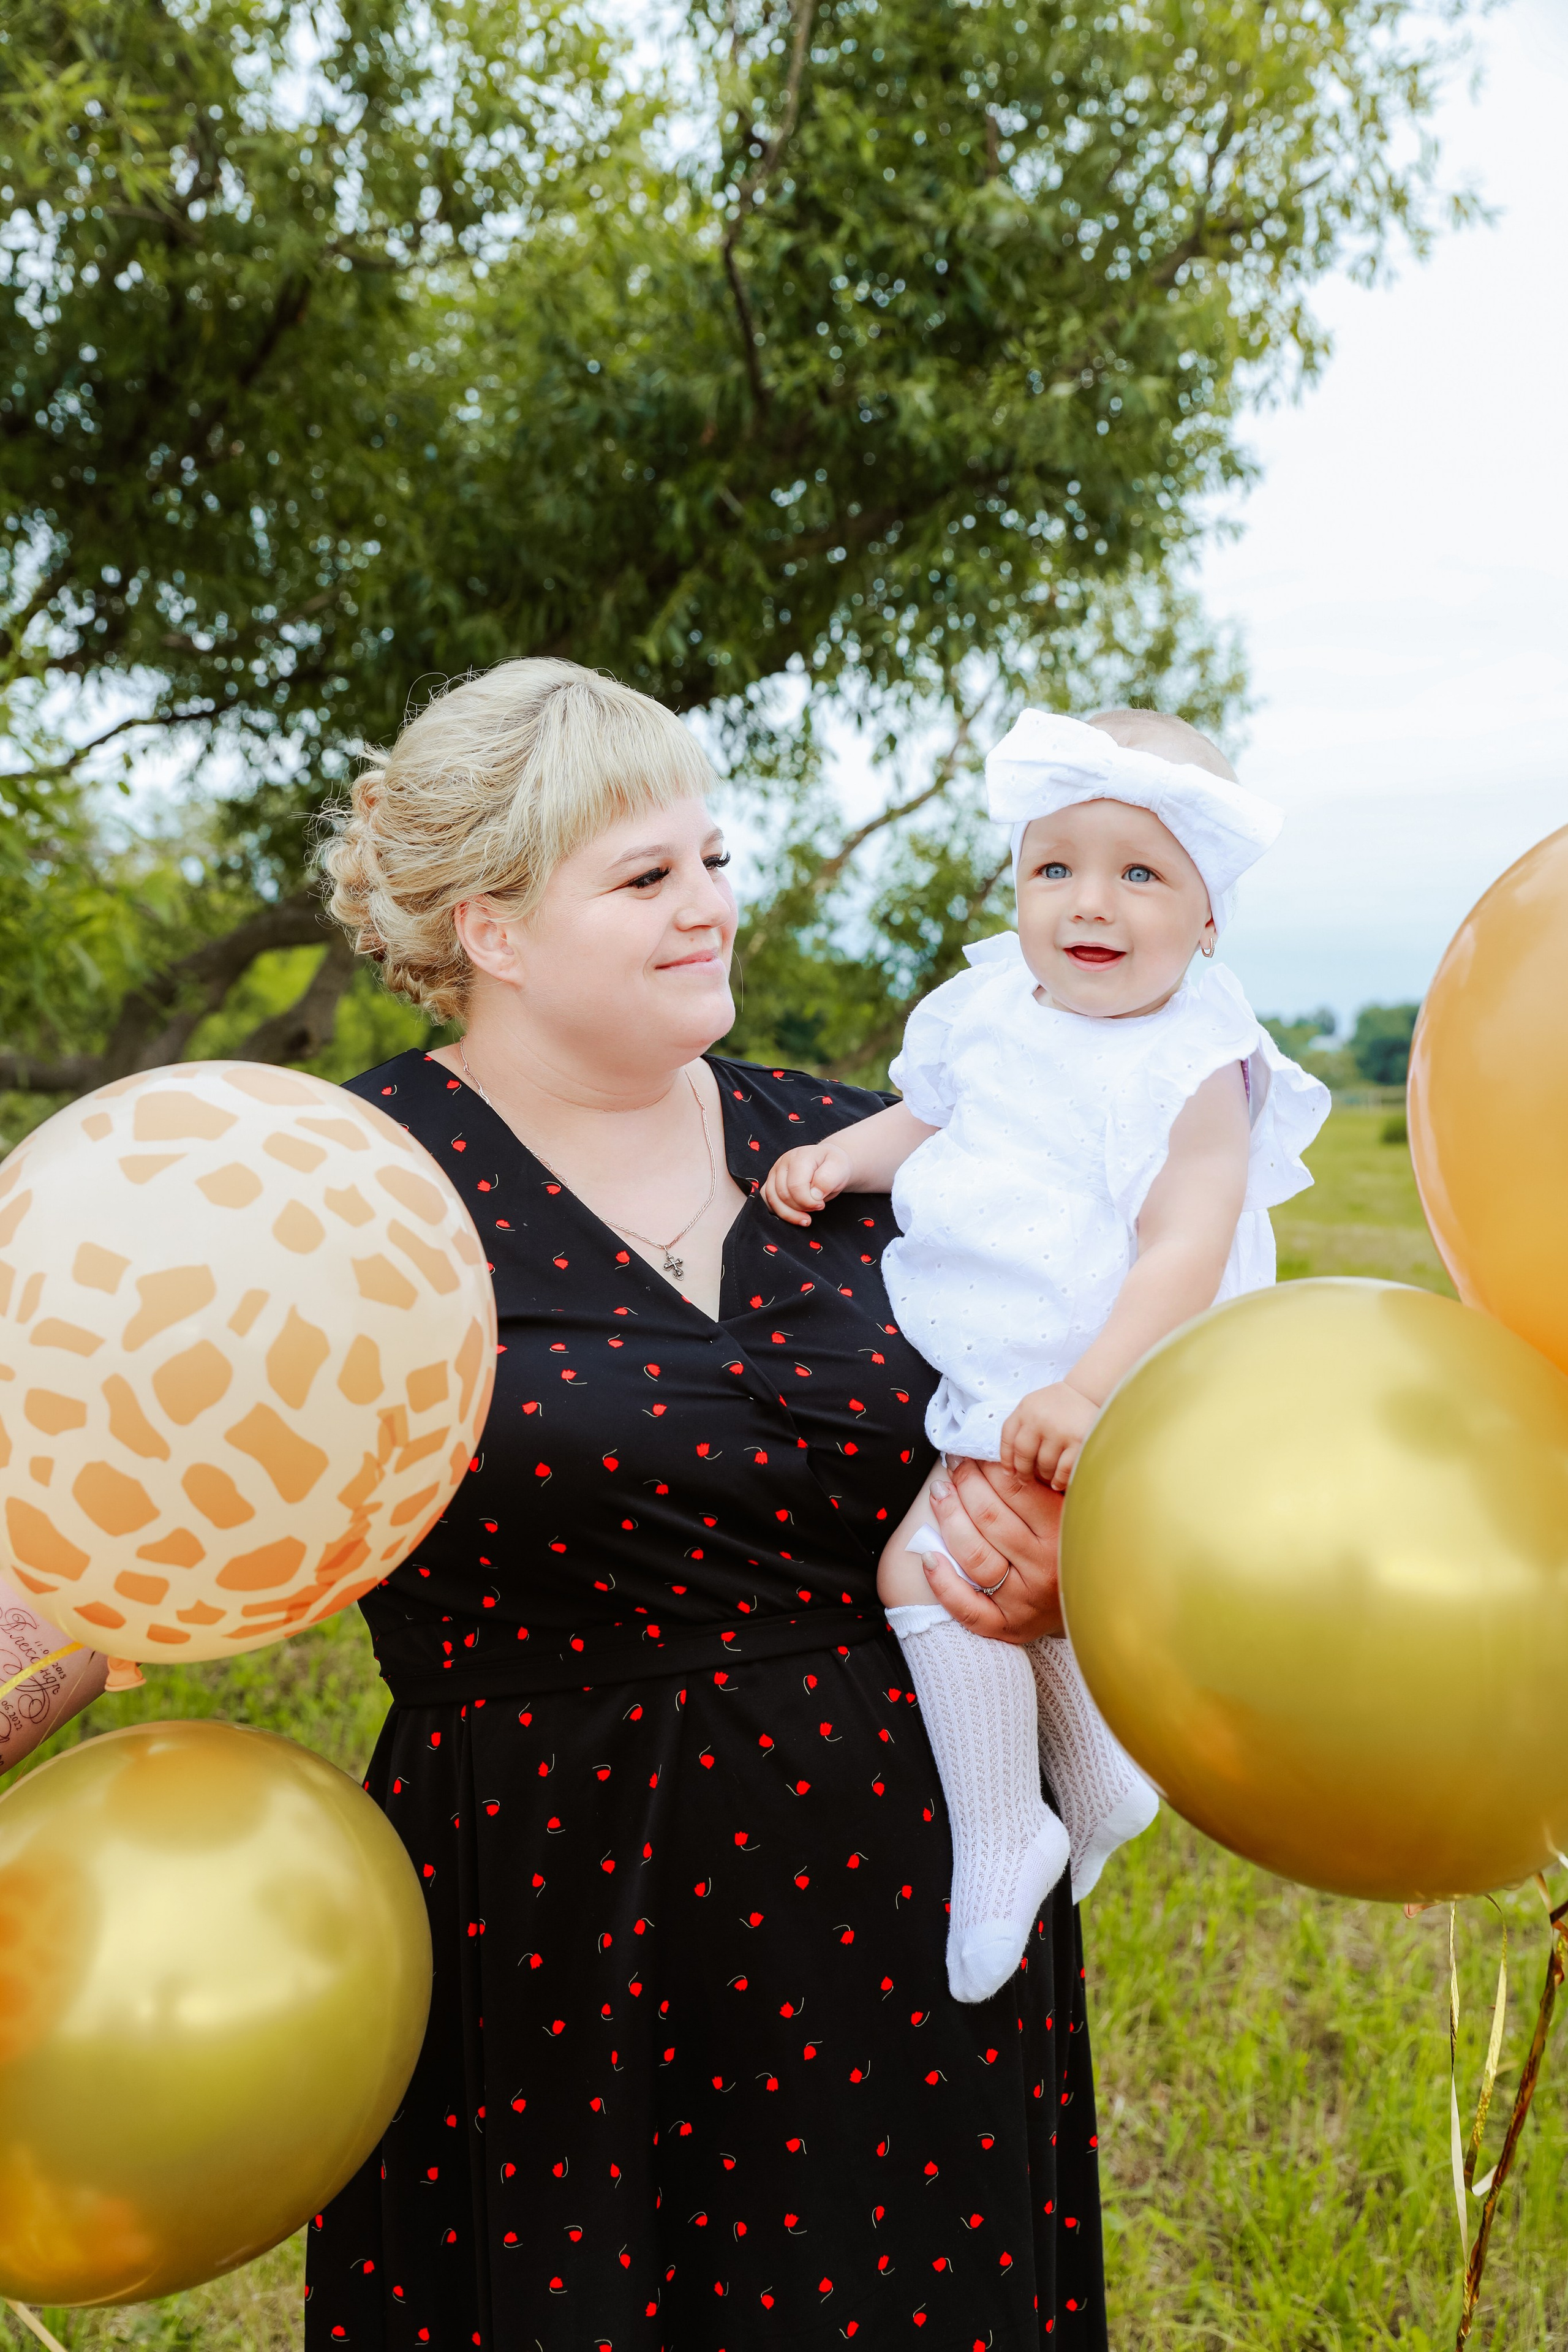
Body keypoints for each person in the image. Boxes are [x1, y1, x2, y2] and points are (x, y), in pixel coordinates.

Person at [296, 659, 1109, 2348]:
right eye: (648, 878)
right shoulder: (344, 1195)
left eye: (715, 859)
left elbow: (1070, 1431)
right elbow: (141, 1516)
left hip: (913, 1931)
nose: (711, 908)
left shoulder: (870, 1162)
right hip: (555, 1938)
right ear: (494, 933)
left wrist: (1056, 1575)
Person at [764, 708, 1330, 2005]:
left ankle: (1002, 1834)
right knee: (1006, 1583)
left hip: (1107, 1373)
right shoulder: (989, 1007)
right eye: (1052, 867)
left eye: (1140, 872)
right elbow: (930, 1114)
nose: (1091, 902)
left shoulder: (1195, 1057)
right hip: (1007, 1355)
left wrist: (1088, 1393)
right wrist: (841, 1158)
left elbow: (1184, 1241)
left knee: (929, 1568)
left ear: (1206, 917)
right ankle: (1097, 1781)